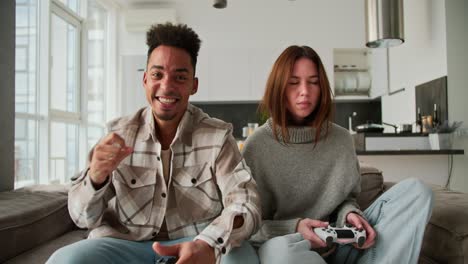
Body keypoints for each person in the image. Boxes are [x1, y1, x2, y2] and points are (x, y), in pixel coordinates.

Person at [47, 23, 261, 264]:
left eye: (180, 77)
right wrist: (95, 178)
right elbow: (82, 218)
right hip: (126, 245)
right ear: (145, 79)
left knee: (241, 259)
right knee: (64, 260)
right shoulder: (118, 134)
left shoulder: (218, 137)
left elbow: (246, 203)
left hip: (196, 241)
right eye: (158, 75)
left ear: (194, 85)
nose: (167, 86)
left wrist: (208, 244)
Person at [242, 45, 433, 264]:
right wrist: (294, 227)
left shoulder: (341, 139)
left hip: (340, 247)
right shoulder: (256, 147)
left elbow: (345, 200)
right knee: (279, 252)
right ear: (278, 88)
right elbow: (246, 225)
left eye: (313, 82)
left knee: (418, 192)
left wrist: (350, 216)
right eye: (293, 82)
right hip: (291, 250)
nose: (304, 91)